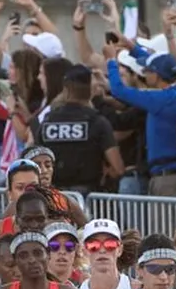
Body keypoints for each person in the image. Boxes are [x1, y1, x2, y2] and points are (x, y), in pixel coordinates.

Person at [106, 52, 176, 197]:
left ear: (157, 75)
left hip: (167, 179)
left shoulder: (160, 99)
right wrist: (133, 49)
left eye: (148, 71)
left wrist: (111, 62)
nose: (144, 74)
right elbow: (163, 62)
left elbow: (118, 90)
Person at [31, 65, 123, 195]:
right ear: (90, 91)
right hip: (88, 198)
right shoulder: (97, 122)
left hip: (54, 197)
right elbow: (118, 168)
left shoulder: (48, 121)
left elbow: (33, 160)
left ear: (66, 90)